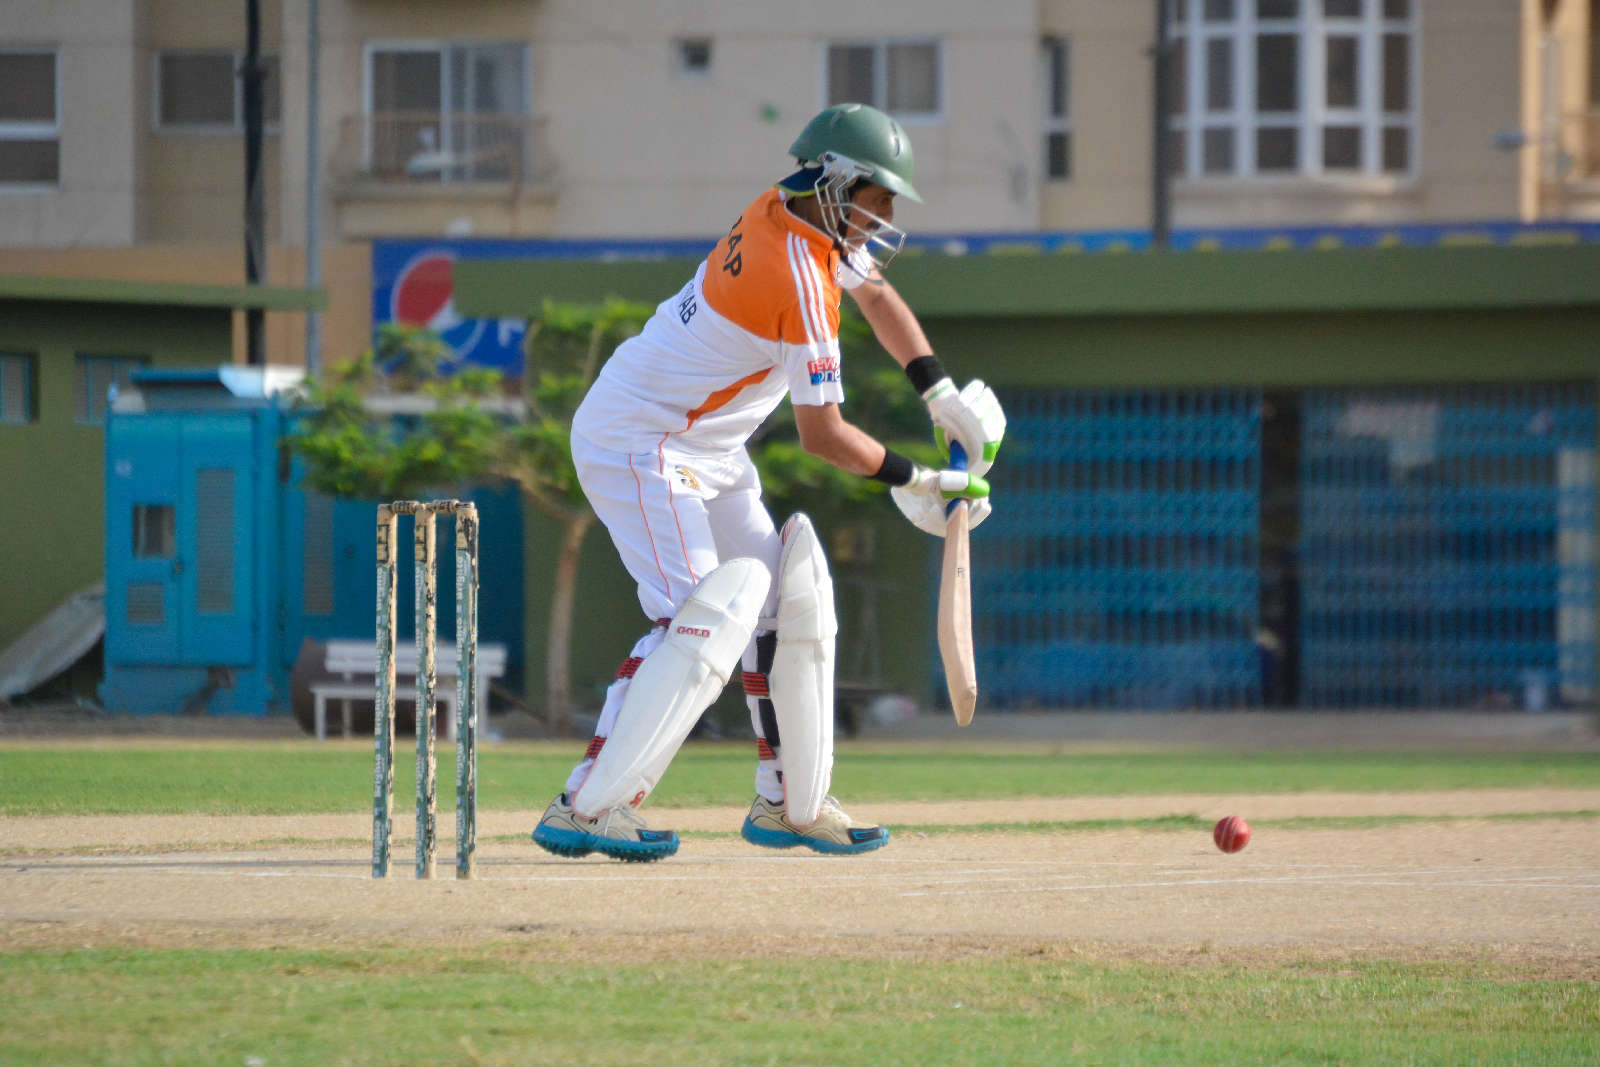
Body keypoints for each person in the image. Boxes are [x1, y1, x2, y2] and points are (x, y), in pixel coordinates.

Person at [532, 102, 1006, 862]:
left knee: (787, 604)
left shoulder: (795, 216)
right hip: (641, 440)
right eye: (878, 198)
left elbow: (877, 296)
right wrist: (919, 478)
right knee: (696, 619)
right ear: (836, 183)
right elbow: (824, 436)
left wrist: (938, 393)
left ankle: (790, 803)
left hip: (709, 448)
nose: (886, 218)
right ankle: (586, 805)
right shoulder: (799, 281)